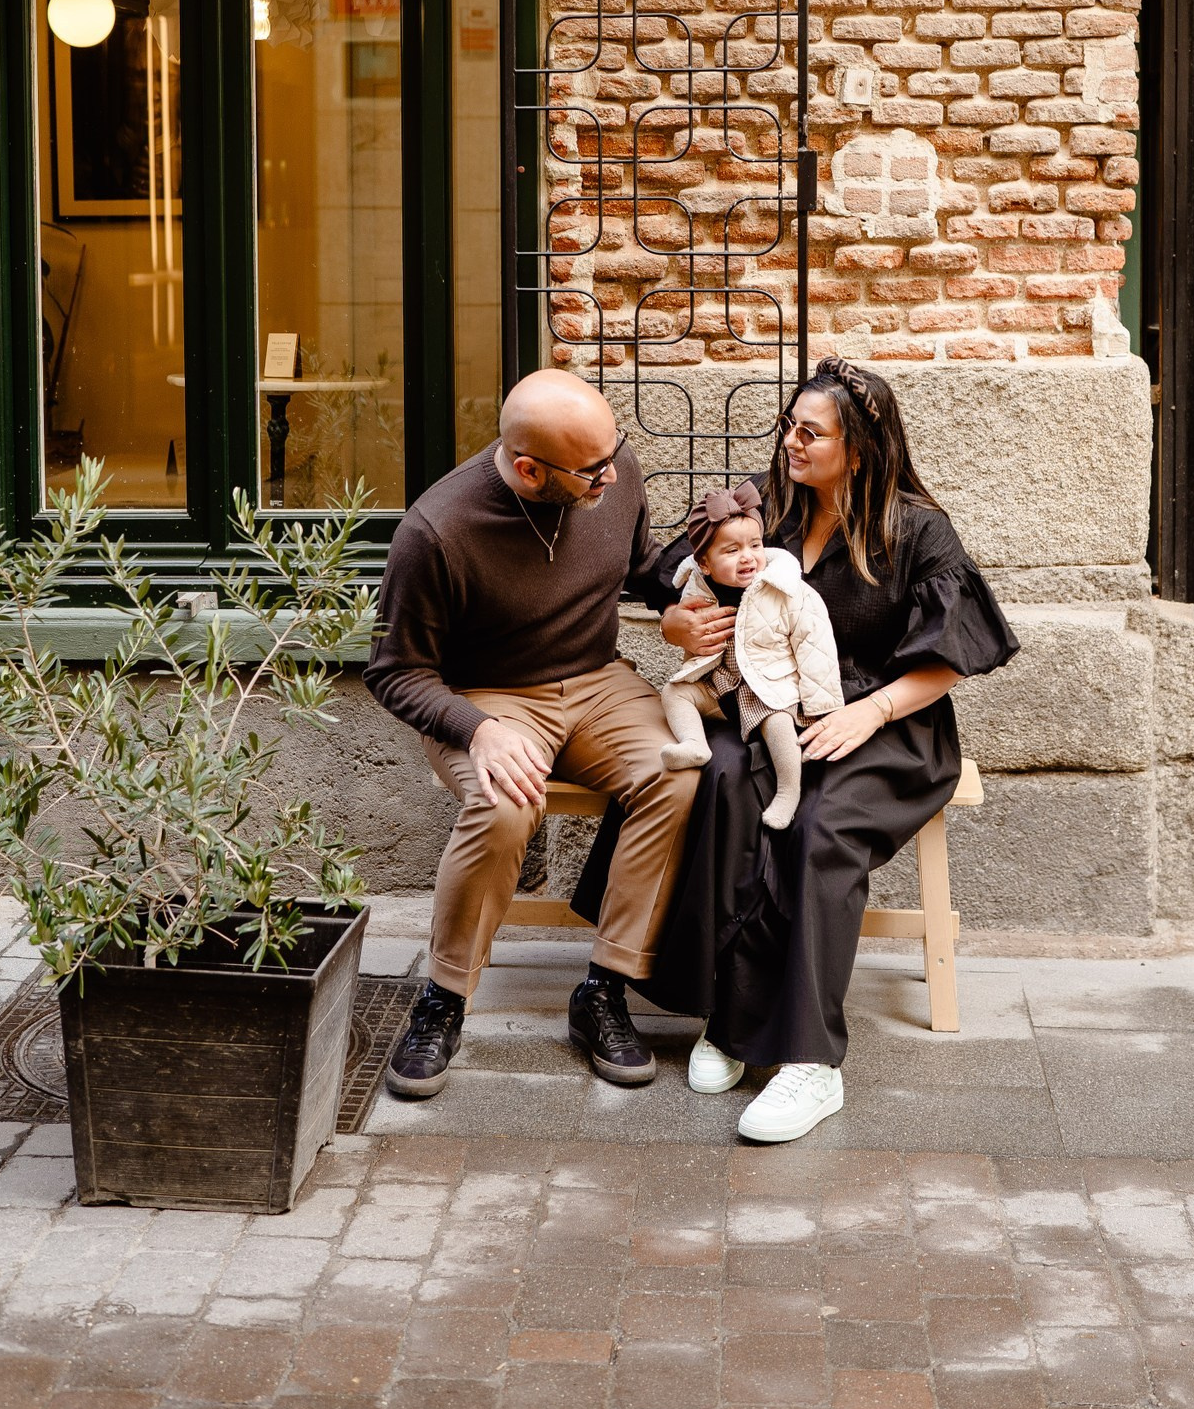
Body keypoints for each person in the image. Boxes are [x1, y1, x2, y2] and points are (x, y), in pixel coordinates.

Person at [638, 354, 1018, 1144]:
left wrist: (869, 713)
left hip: (890, 725)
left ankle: (811, 1062)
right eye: (788, 426)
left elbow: (955, 652)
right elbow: (665, 569)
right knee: (729, 790)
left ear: (859, 448)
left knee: (818, 831)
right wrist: (677, 619)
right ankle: (732, 1018)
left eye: (809, 433)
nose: (789, 443)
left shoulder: (916, 529)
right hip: (776, 710)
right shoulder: (768, 505)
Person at [365, 369, 721, 1098]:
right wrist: (479, 728)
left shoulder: (611, 471)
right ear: (529, 469)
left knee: (678, 771)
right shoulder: (436, 531)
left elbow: (639, 567)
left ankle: (604, 990)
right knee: (502, 805)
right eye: (591, 470)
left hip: (596, 679)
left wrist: (674, 608)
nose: (611, 475)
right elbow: (395, 672)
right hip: (485, 695)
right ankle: (442, 1000)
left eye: (613, 453)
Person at [656, 477, 844, 831]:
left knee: (779, 724)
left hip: (767, 688)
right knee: (674, 692)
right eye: (731, 551)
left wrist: (821, 709)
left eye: (755, 545)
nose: (748, 557)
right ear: (705, 564)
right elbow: (691, 639)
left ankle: (789, 790)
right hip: (718, 686)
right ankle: (694, 743)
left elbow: (815, 647)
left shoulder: (786, 589)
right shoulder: (697, 587)